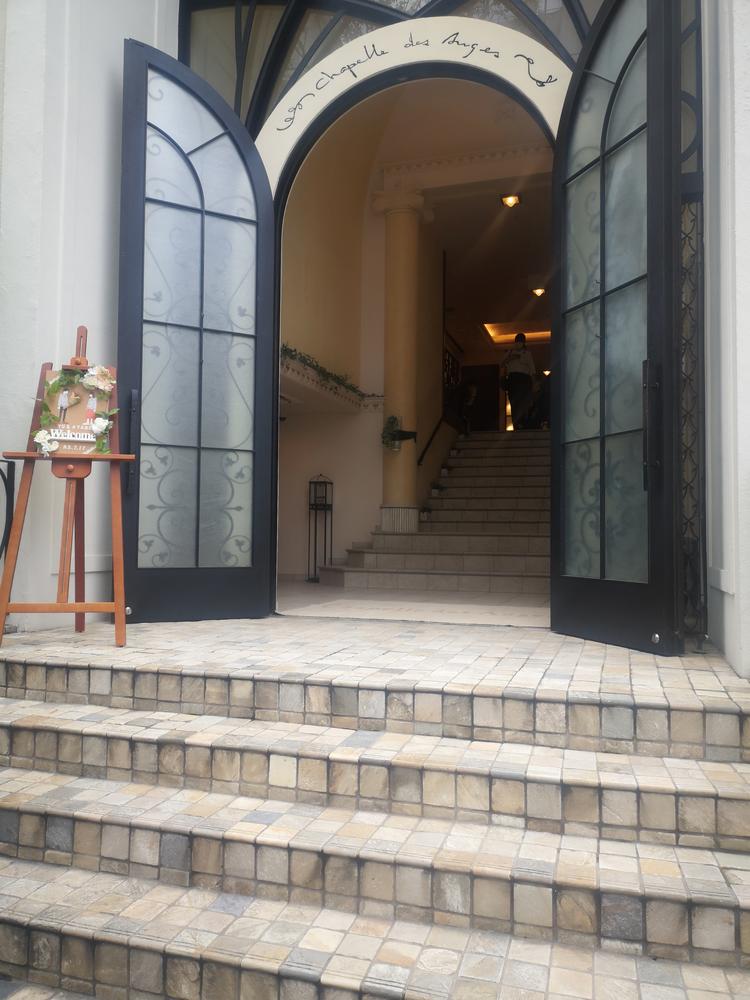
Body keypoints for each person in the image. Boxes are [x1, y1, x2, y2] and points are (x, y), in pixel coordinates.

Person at [502, 333, 535, 430]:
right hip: (513, 379)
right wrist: (511, 358)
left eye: (520, 341)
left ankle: (523, 425)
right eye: (517, 341)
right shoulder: (509, 352)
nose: (518, 343)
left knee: (523, 403)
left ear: (523, 343)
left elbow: (532, 370)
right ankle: (516, 425)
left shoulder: (527, 353)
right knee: (514, 403)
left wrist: (533, 384)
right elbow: (502, 364)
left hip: (524, 380)